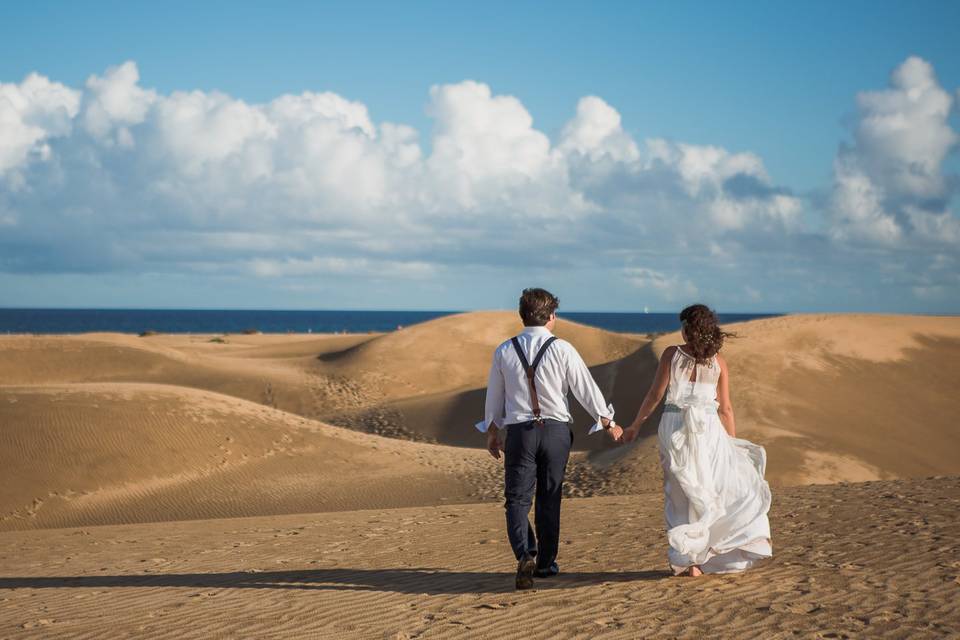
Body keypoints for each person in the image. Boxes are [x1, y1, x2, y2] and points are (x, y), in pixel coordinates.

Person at [477, 288, 623, 590]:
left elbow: (494, 397)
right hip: (555, 432)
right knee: (549, 497)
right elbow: (585, 387)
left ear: (522, 316)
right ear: (551, 317)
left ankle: (524, 552)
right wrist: (607, 421)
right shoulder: (563, 349)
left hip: (520, 433)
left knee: (516, 499)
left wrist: (493, 432)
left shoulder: (504, 350)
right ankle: (544, 564)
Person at [623, 304, 772, 575]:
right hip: (709, 430)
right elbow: (726, 408)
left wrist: (635, 425)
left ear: (690, 329)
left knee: (680, 492)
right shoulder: (718, 362)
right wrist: (732, 443)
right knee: (706, 489)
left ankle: (690, 559)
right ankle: (700, 557)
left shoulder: (672, 354)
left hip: (676, 426)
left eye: (683, 325)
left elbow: (654, 396)